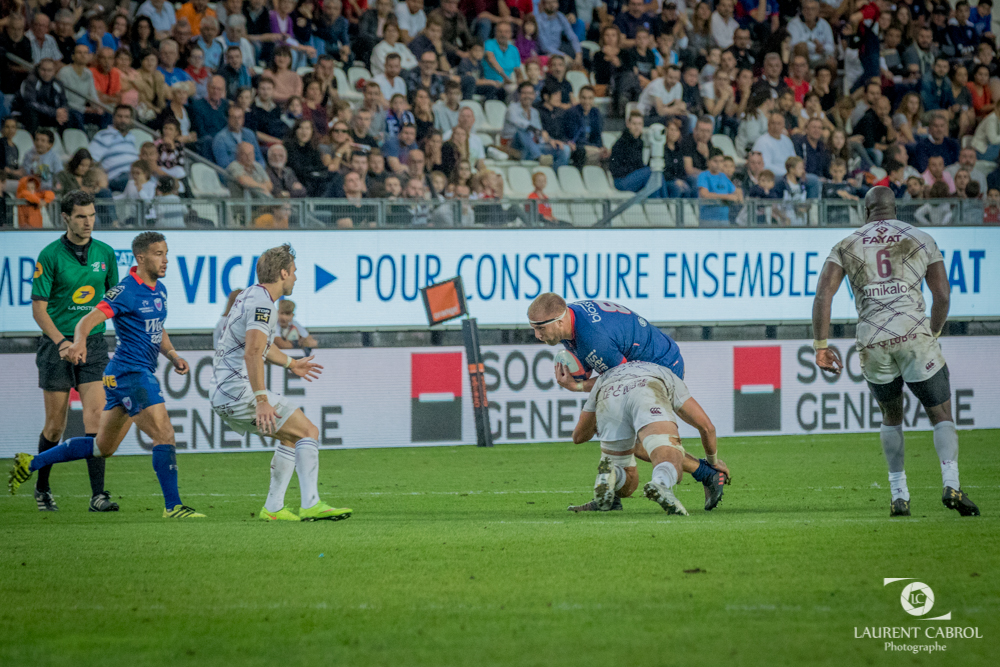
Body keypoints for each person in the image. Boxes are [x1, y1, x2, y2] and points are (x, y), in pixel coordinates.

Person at [10, 230, 205, 518]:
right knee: (164, 434)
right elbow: (88, 319)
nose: (165, 260)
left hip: (120, 375)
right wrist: (78, 342)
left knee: (102, 447)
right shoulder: (125, 290)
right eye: (158, 254)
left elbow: (156, 327)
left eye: (166, 254)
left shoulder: (159, 290)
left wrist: (173, 355)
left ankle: (31, 462)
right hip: (131, 373)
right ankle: (173, 507)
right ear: (140, 258)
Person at [812, 186, 980, 518]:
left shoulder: (846, 244)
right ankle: (951, 484)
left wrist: (821, 346)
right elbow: (942, 295)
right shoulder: (921, 238)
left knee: (891, 415)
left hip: (873, 338)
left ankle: (898, 494)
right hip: (913, 332)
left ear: (866, 211)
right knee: (940, 413)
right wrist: (932, 333)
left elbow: (823, 296)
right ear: (895, 209)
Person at [527, 292, 728, 513]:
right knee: (622, 434)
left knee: (640, 441)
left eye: (540, 328)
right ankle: (613, 491)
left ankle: (704, 473)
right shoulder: (570, 320)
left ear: (560, 320)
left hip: (661, 366)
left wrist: (577, 386)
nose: (537, 335)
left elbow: (619, 379)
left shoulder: (595, 340)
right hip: (643, 361)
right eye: (533, 328)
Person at [210, 244, 351, 522]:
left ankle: (273, 508)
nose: (296, 278)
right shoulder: (263, 305)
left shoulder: (251, 295)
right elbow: (253, 352)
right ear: (283, 273)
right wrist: (262, 400)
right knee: (308, 431)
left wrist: (291, 363)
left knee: (290, 436)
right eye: (294, 272)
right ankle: (311, 503)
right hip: (238, 390)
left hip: (224, 391)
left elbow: (262, 346)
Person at [14, 190, 120, 510]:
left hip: (94, 344)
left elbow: (113, 303)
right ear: (65, 218)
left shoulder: (106, 253)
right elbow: (39, 310)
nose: (88, 222)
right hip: (55, 346)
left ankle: (98, 495)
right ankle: (42, 488)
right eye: (80, 216)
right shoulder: (49, 255)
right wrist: (63, 342)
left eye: (92, 215)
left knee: (96, 419)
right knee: (55, 426)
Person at [570, 360, 726, 515]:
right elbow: (707, 427)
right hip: (647, 389)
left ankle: (613, 473)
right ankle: (661, 483)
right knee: (671, 453)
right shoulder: (668, 375)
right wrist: (713, 462)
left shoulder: (605, 376)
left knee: (627, 480)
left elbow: (579, 436)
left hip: (609, 394)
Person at [502, 82, 571, 167]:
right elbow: (523, 125)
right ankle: (538, 157)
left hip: (533, 145)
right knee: (523, 131)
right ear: (519, 95)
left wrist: (550, 140)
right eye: (524, 93)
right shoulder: (512, 108)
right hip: (514, 143)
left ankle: (557, 173)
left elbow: (539, 134)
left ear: (534, 95)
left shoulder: (535, 112)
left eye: (530, 93)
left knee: (563, 149)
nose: (527, 96)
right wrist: (540, 132)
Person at [88, 105, 140, 192]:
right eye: (120, 116)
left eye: (126, 117)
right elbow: (90, 160)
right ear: (113, 118)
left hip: (135, 174)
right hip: (117, 177)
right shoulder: (103, 135)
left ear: (131, 120)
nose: (123, 120)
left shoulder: (131, 137)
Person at [697, 147, 741, 224]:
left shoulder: (723, 176)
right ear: (708, 161)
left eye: (721, 161)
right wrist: (726, 197)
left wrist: (739, 196)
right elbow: (704, 194)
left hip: (724, 220)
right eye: (715, 161)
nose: (718, 164)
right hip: (708, 220)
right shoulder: (704, 175)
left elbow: (735, 191)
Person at [609, 110, 649, 192]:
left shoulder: (639, 142)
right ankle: (660, 199)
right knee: (651, 172)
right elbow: (617, 169)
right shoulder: (621, 143)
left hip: (633, 177)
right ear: (628, 124)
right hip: (621, 180)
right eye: (634, 124)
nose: (637, 127)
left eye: (639, 124)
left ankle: (663, 199)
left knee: (656, 174)